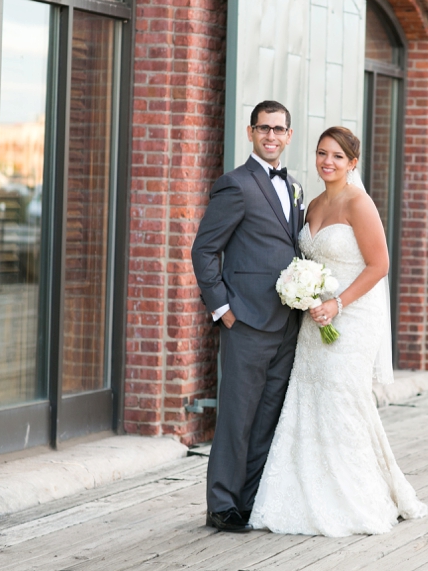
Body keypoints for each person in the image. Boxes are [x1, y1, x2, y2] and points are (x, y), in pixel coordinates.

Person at [249, 126, 427, 536]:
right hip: (315, 320)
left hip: (351, 318)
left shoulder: (358, 204)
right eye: (321, 153)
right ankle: (306, 493)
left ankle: (355, 497)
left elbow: (378, 265)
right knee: (310, 399)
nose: (327, 162)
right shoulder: (311, 205)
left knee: (343, 399)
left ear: (352, 163)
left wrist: (338, 303)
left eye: (337, 157)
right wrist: (305, 293)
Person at [190, 100, 304, 533]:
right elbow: (204, 250)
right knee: (237, 416)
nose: (271, 136)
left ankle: (250, 499)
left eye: (279, 129)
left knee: (267, 417)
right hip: (247, 322)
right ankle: (221, 504)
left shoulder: (293, 186)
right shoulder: (234, 184)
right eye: (264, 129)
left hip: (287, 323)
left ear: (289, 135)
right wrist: (223, 309)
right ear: (251, 133)